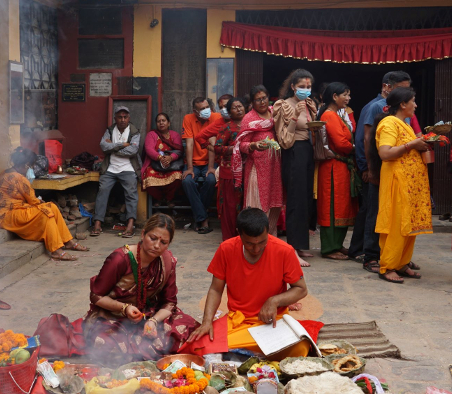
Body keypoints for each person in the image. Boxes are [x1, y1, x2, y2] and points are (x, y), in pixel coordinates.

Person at [187, 208, 309, 360]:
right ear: (239, 233)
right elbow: (216, 290)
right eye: (250, 244)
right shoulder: (226, 249)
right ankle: (256, 353)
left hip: (273, 323)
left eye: (262, 242)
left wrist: (274, 300)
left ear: (268, 231)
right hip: (238, 321)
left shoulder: (284, 251)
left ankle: (240, 353)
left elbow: (301, 289)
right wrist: (207, 322)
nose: (256, 249)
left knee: (301, 347)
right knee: (197, 345)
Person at [83, 213, 197, 364]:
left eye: (163, 242)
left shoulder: (167, 261)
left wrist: (154, 321)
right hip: (114, 315)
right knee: (108, 345)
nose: (157, 246)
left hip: (150, 314)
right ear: (143, 234)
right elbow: (96, 296)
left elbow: (169, 303)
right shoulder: (120, 258)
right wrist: (125, 308)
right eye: (153, 238)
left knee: (188, 331)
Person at [351, 71, 415, 272]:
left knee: (389, 213)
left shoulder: (403, 112)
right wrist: (368, 168)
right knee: (375, 212)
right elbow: (367, 140)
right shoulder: (377, 108)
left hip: (399, 171)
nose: (407, 94)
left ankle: (393, 254)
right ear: (387, 87)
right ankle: (371, 255)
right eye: (402, 89)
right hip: (380, 168)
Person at [369, 88, 432, 283]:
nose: (416, 105)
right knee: (396, 225)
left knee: (408, 225)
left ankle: (402, 263)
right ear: (403, 104)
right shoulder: (389, 124)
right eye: (413, 101)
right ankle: (387, 266)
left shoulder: (404, 124)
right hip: (397, 183)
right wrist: (412, 145)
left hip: (410, 185)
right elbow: (385, 153)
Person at [0, 148, 89, 260]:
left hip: (10, 212)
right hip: (7, 215)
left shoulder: (5, 172)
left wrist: (40, 202)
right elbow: (33, 201)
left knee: (52, 207)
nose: (32, 170)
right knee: (46, 212)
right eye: (31, 166)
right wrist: (40, 202)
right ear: (26, 165)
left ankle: (68, 241)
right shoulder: (20, 178)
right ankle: (56, 250)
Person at [273, 69, 318, 267]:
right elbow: (283, 139)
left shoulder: (310, 103)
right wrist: (295, 116)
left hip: (308, 151)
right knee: (294, 200)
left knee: (306, 199)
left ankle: (300, 246)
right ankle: (291, 250)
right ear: (292, 86)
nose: (305, 90)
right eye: (301, 87)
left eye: (308, 87)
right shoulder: (283, 105)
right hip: (293, 152)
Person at [317, 83, 360, 260]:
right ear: (334, 96)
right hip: (334, 167)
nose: (348, 98)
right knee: (332, 206)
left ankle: (337, 244)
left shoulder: (336, 114)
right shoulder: (329, 115)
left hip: (341, 166)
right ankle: (329, 248)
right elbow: (341, 143)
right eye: (345, 95)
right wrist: (356, 149)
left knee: (341, 206)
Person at [234, 86, 285, 234]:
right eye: (257, 100)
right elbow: (241, 144)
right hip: (257, 168)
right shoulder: (248, 119)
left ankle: (270, 236)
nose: (262, 102)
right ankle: (254, 235)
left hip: (275, 167)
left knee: (275, 203)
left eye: (264, 98)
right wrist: (254, 145)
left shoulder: (274, 113)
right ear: (252, 102)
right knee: (257, 204)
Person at [91, 106, 141, 237]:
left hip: (128, 168)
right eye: (120, 117)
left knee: (131, 193)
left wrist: (112, 146)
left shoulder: (134, 132)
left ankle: (130, 224)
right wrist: (123, 144)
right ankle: (97, 223)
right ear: (115, 118)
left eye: (125, 117)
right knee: (103, 190)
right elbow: (103, 146)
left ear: (129, 118)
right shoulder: (110, 130)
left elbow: (133, 151)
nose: (122, 120)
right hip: (110, 168)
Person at [182, 97, 221, 234]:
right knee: (187, 181)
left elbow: (212, 142)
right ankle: (203, 218)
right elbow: (189, 144)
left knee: (211, 180)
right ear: (195, 111)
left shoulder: (216, 117)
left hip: (210, 161)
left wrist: (211, 167)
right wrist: (190, 168)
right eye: (202, 109)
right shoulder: (188, 119)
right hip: (193, 162)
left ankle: (198, 218)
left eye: (207, 107)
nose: (206, 111)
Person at [213, 97, 247, 241]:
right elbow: (217, 148)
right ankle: (229, 239)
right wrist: (234, 149)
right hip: (230, 171)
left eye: (240, 106)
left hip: (248, 170)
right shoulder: (227, 127)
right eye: (234, 107)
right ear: (229, 112)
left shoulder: (250, 124)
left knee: (245, 205)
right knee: (230, 207)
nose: (238, 109)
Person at [141, 113, 183, 211]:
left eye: (163, 120)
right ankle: (158, 199)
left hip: (172, 164)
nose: (161, 123)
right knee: (149, 179)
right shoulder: (152, 134)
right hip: (155, 164)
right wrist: (161, 158)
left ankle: (169, 199)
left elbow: (179, 150)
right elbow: (149, 150)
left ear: (168, 123)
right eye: (158, 121)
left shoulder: (175, 135)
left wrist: (171, 158)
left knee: (177, 177)